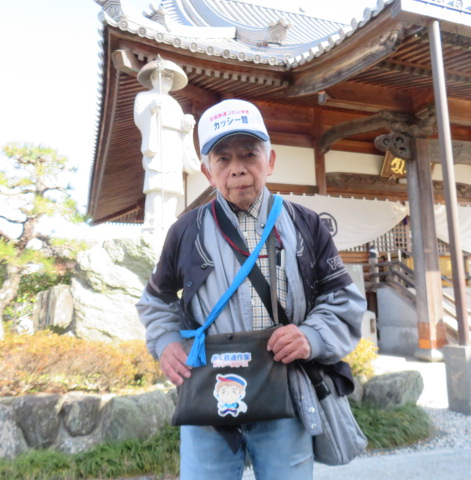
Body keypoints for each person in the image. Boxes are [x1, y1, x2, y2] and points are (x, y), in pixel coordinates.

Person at [136, 99, 366, 479]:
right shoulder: (185, 231)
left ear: (269, 160)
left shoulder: (306, 225)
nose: (238, 168)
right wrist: (166, 342)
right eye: (223, 159)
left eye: (249, 154)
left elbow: (342, 299)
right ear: (208, 171)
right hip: (207, 393)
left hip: (285, 391)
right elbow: (156, 300)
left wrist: (310, 336)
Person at [133, 57, 201, 234]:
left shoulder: (174, 103)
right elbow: (140, 120)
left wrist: (187, 123)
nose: (168, 80)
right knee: (156, 182)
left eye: (170, 78)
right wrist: (151, 109)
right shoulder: (144, 97)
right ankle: (153, 221)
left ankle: (169, 218)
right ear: (153, 78)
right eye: (164, 76)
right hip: (158, 142)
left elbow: (182, 127)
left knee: (173, 184)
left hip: (174, 144)